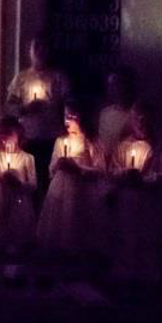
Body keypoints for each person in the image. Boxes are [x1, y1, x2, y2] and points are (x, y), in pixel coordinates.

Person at [6, 37, 69, 209]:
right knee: (29, 182)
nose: (40, 51)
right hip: (29, 137)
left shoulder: (57, 77)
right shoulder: (21, 78)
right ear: (30, 51)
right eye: (37, 47)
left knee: (49, 183)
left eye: (44, 47)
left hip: (52, 137)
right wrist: (26, 108)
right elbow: (10, 106)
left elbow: (67, 104)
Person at [105, 101, 162, 287]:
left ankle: (148, 278)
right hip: (126, 199)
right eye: (138, 120)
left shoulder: (159, 147)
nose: (142, 123)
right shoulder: (123, 146)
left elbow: (161, 172)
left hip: (149, 200)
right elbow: (113, 169)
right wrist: (124, 175)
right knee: (126, 236)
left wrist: (144, 179)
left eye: (146, 120)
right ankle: (125, 276)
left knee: (148, 238)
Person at [37, 102, 106, 257]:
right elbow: (51, 169)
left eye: (71, 116)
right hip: (60, 191)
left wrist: (78, 168)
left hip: (82, 192)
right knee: (60, 229)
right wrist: (59, 165)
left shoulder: (91, 141)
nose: (67, 120)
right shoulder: (60, 141)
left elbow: (100, 169)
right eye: (65, 116)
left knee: (79, 231)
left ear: (81, 118)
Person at [0, 116, 37, 277]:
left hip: (20, 204)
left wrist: (18, 184)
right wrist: (0, 178)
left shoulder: (27, 158)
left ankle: (23, 276)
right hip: (0, 201)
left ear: (18, 134)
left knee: (22, 241)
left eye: (9, 134)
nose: (5, 138)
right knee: (0, 241)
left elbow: (33, 184)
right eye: (2, 134)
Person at [97, 68, 137, 153]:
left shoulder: (136, 116)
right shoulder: (105, 113)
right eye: (109, 85)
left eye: (116, 85)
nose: (111, 89)